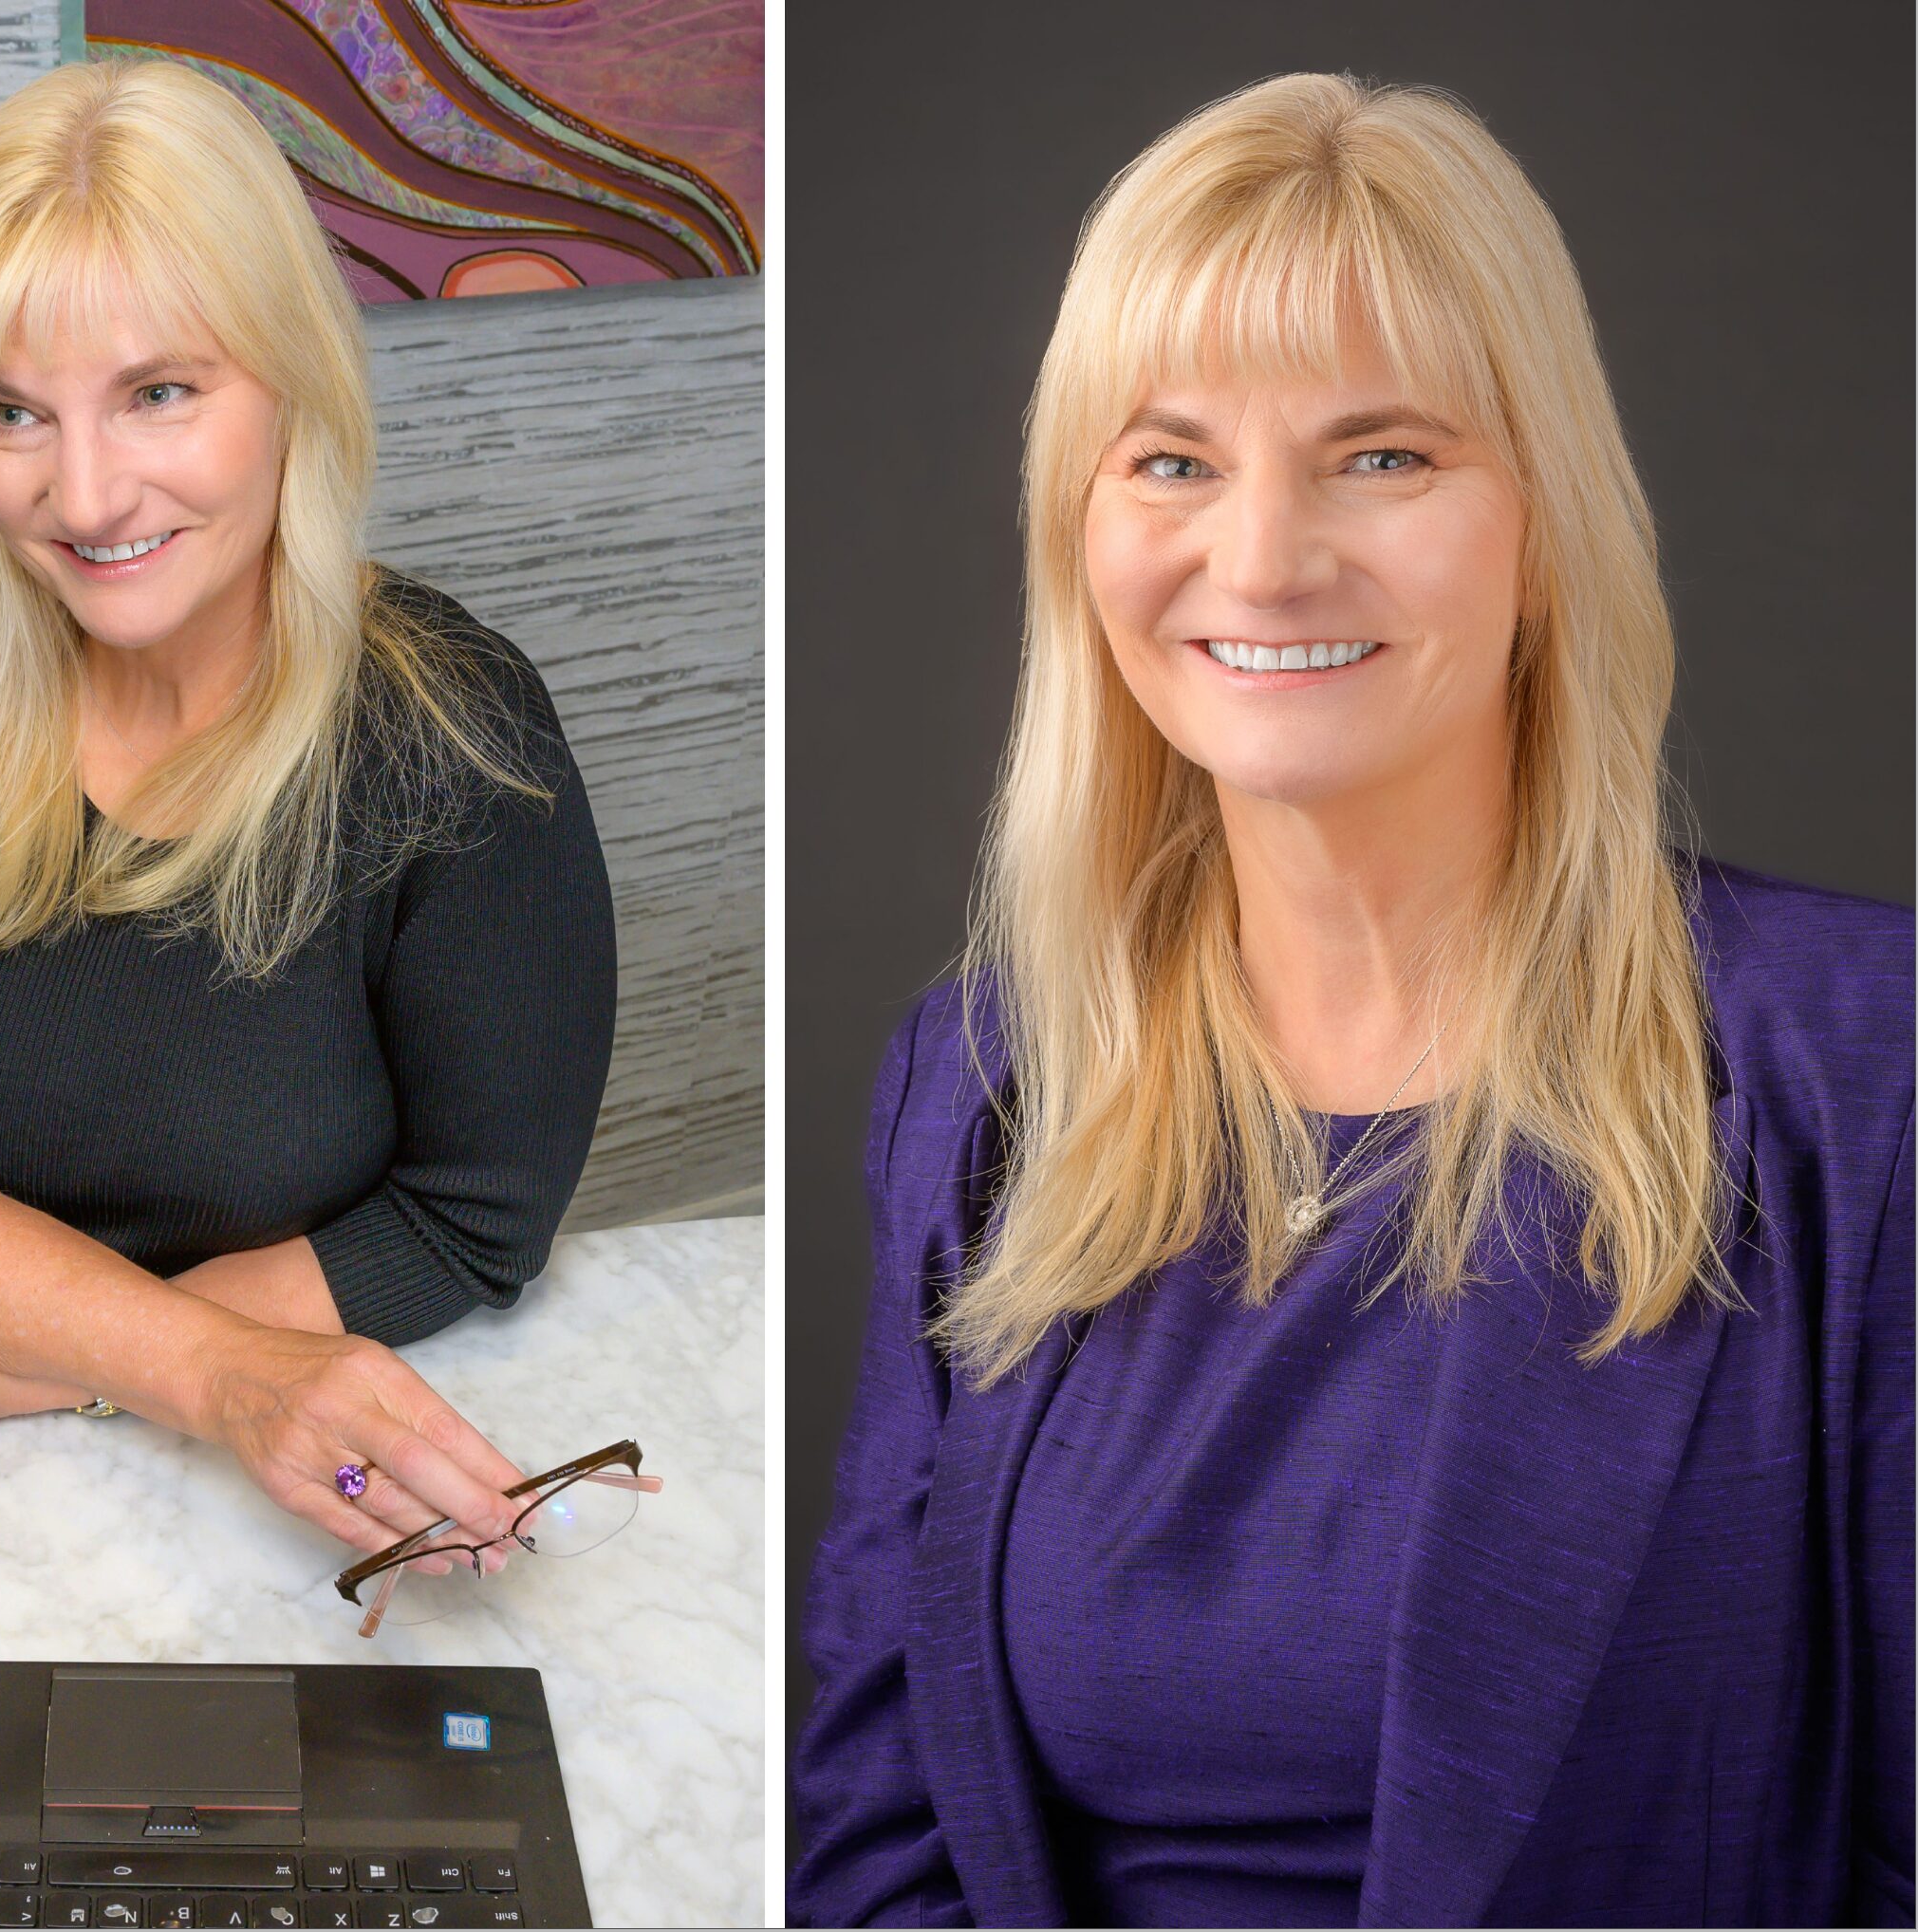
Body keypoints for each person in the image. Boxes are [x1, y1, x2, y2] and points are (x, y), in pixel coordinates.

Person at [791, 74, 1909, 1928]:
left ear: (1541, 519)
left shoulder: (1865, 1075)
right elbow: (876, 1811)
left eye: (1380, 454)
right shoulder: (982, 1080)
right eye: (1170, 458)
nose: (1261, 556)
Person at [0, 59, 618, 1579]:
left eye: (159, 391)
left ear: (289, 376)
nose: (85, 497)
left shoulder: (454, 734)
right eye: (13, 413)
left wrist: (56, 1374)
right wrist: (175, 1371)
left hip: (102, 1371)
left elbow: (470, 1220)